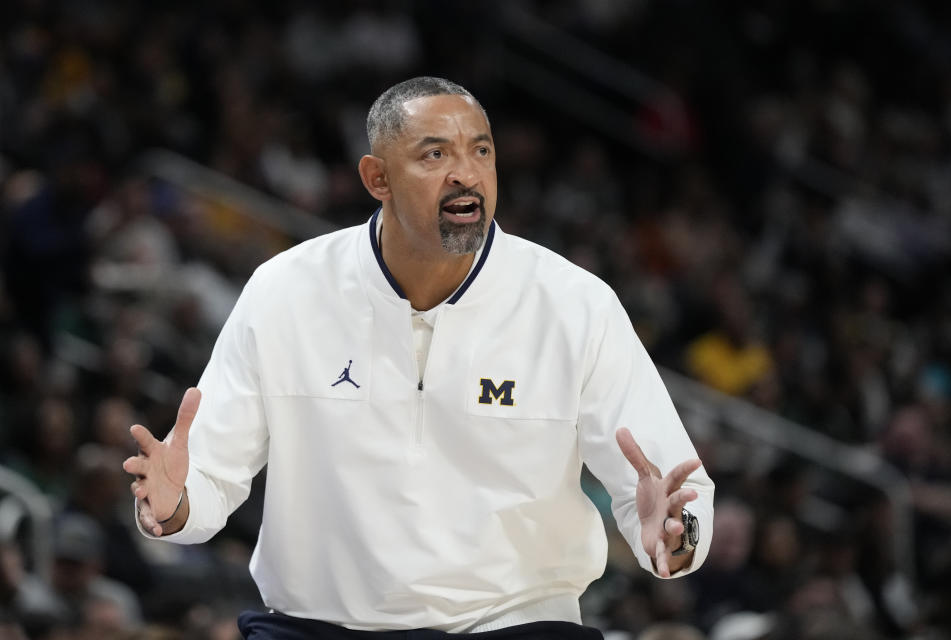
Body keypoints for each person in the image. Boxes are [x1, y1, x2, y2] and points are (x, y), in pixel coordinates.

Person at [122, 76, 715, 639]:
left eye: (481, 152)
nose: (466, 175)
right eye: (435, 156)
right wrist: (175, 504)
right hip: (318, 626)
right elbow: (206, 481)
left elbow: (670, 498)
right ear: (377, 178)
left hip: (515, 624)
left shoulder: (575, 304)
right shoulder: (285, 292)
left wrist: (675, 535)